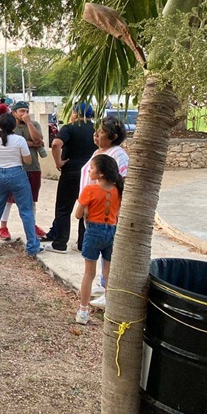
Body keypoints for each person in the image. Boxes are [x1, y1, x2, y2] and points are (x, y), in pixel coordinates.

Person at [80, 115, 129, 309]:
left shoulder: (117, 155)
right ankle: (103, 288)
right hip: (91, 211)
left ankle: (106, 292)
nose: (96, 135)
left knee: (104, 257)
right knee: (101, 256)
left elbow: (119, 183)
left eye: (101, 133)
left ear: (113, 137)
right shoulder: (100, 152)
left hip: (103, 214)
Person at [0, 113, 42, 257]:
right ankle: (32, 246)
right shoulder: (19, 140)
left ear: (0, 125)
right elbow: (27, 161)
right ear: (13, 125)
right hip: (17, 174)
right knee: (26, 211)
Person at [73, 155, 122, 325]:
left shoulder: (89, 190)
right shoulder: (118, 190)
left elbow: (78, 214)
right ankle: (111, 308)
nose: (89, 170)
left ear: (100, 174)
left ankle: (83, 310)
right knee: (108, 273)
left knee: (89, 273)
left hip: (93, 232)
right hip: (112, 232)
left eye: (92, 168)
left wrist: (86, 208)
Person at [43, 103, 97, 254]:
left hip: (71, 172)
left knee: (63, 208)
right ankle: (82, 244)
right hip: (90, 174)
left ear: (74, 113)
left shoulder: (70, 127)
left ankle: (60, 244)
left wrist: (58, 162)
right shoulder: (96, 129)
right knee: (86, 208)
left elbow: (55, 144)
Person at [0, 101, 46, 241]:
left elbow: (39, 139)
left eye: (26, 111)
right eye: (21, 111)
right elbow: (8, 143)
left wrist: (29, 123)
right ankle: (3, 227)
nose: (24, 114)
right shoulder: (10, 127)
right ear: (14, 113)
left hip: (33, 168)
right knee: (8, 199)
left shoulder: (34, 125)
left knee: (31, 200)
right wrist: (31, 143)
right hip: (14, 168)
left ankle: (32, 225)